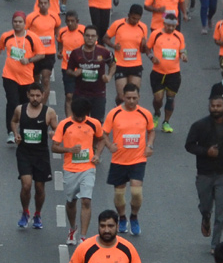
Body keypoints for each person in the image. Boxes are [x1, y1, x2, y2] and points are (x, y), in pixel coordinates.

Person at [184, 88, 223, 250]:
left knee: (222, 212)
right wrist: (206, 151)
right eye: (213, 106)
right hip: (204, 173)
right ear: (209, 107)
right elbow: (189, 145)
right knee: (206, 205)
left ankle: (215, 244)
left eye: (218, 106)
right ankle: (205, 217)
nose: (215, 108)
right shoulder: (200, 126)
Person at [103, 84, 155, 236]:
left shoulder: (145, 114)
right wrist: (109, 145)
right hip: (119, 160)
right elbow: (103, 133)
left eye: (134, 98)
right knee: (119, 195)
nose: (131, 101)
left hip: (138, 160)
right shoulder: (114, 113)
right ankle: (122, 217)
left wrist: (150, 145)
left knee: (136, 192)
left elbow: (151, 131)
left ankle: (134, 216)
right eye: (128, 98)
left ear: (139, 97)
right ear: (122, 97)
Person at [52, 98, 106, 245]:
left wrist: (97, 154)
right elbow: (54, 146)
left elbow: (101, 139)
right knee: (71, 202)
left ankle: (83, 236)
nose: (80, 118)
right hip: (70, 169)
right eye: (77, 116)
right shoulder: (64, 124)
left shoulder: (93, 123)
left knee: (86, 200)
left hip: (88, 168)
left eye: (83, 116)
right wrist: (69, 149)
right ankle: (72, 229)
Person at [12, 83, 58, 230]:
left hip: (41, 154)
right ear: (27, 95)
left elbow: (58, 130)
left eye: (38, 95)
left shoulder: (49, 112)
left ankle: (37, 214)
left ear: (43, 95)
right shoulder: (20, 109)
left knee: (39, 187)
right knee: (26, 185)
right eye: (32, 95)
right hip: (24, 152)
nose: (35, 98)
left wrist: (53, 134)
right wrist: (15, 134)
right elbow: (14, 121)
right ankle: (25, 212)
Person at [0, 12, 42, 143]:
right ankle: (11, 132)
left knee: (25, 105)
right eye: (15, 22)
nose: (17, 24)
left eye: (20, 22)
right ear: (12, 23)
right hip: (9, 76)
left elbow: (41, 54)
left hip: (27, 78)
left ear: (25, 24)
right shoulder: (6, 36)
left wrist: (29, 59)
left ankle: (24, 130)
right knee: (13, 103)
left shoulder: (32, 37)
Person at [146, 12, 187, 133]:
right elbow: (147, 48)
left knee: (170, 99)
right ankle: (157, 113)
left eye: (173, 26)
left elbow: (183, 50)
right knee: (158, 98)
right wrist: (151, 57)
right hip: (158, 72)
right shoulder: (156, 34)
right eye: (168, 25)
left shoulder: (179, 36)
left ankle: (166, 122)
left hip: (173, 73)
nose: (170, 28)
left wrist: (184, 55)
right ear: (164, 23)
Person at [66, 26, 116, 122]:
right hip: (80, 93)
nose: (90, 38)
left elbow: (113, 64)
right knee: (79, 122)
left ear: (96, 37)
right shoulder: (76, 53)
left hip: (98, 94)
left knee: (97, 123)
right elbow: (68, 70)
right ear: (83, 36)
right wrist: (74, 73)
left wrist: (109, 76)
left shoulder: (104, 52)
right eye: (87, 35)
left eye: (93, 36)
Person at [105, 5, 150, 102]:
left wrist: (143, 46)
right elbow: (105, 38)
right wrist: (113, 46)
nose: (135, 21)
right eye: (133, 18)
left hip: (136, 65)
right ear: (128, 15)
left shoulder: (143, 27)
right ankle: (118, 108)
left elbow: (142, 50)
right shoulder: (118, 24)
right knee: (122, 97)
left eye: (138, 19)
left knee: (134, 96)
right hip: (120, 64)